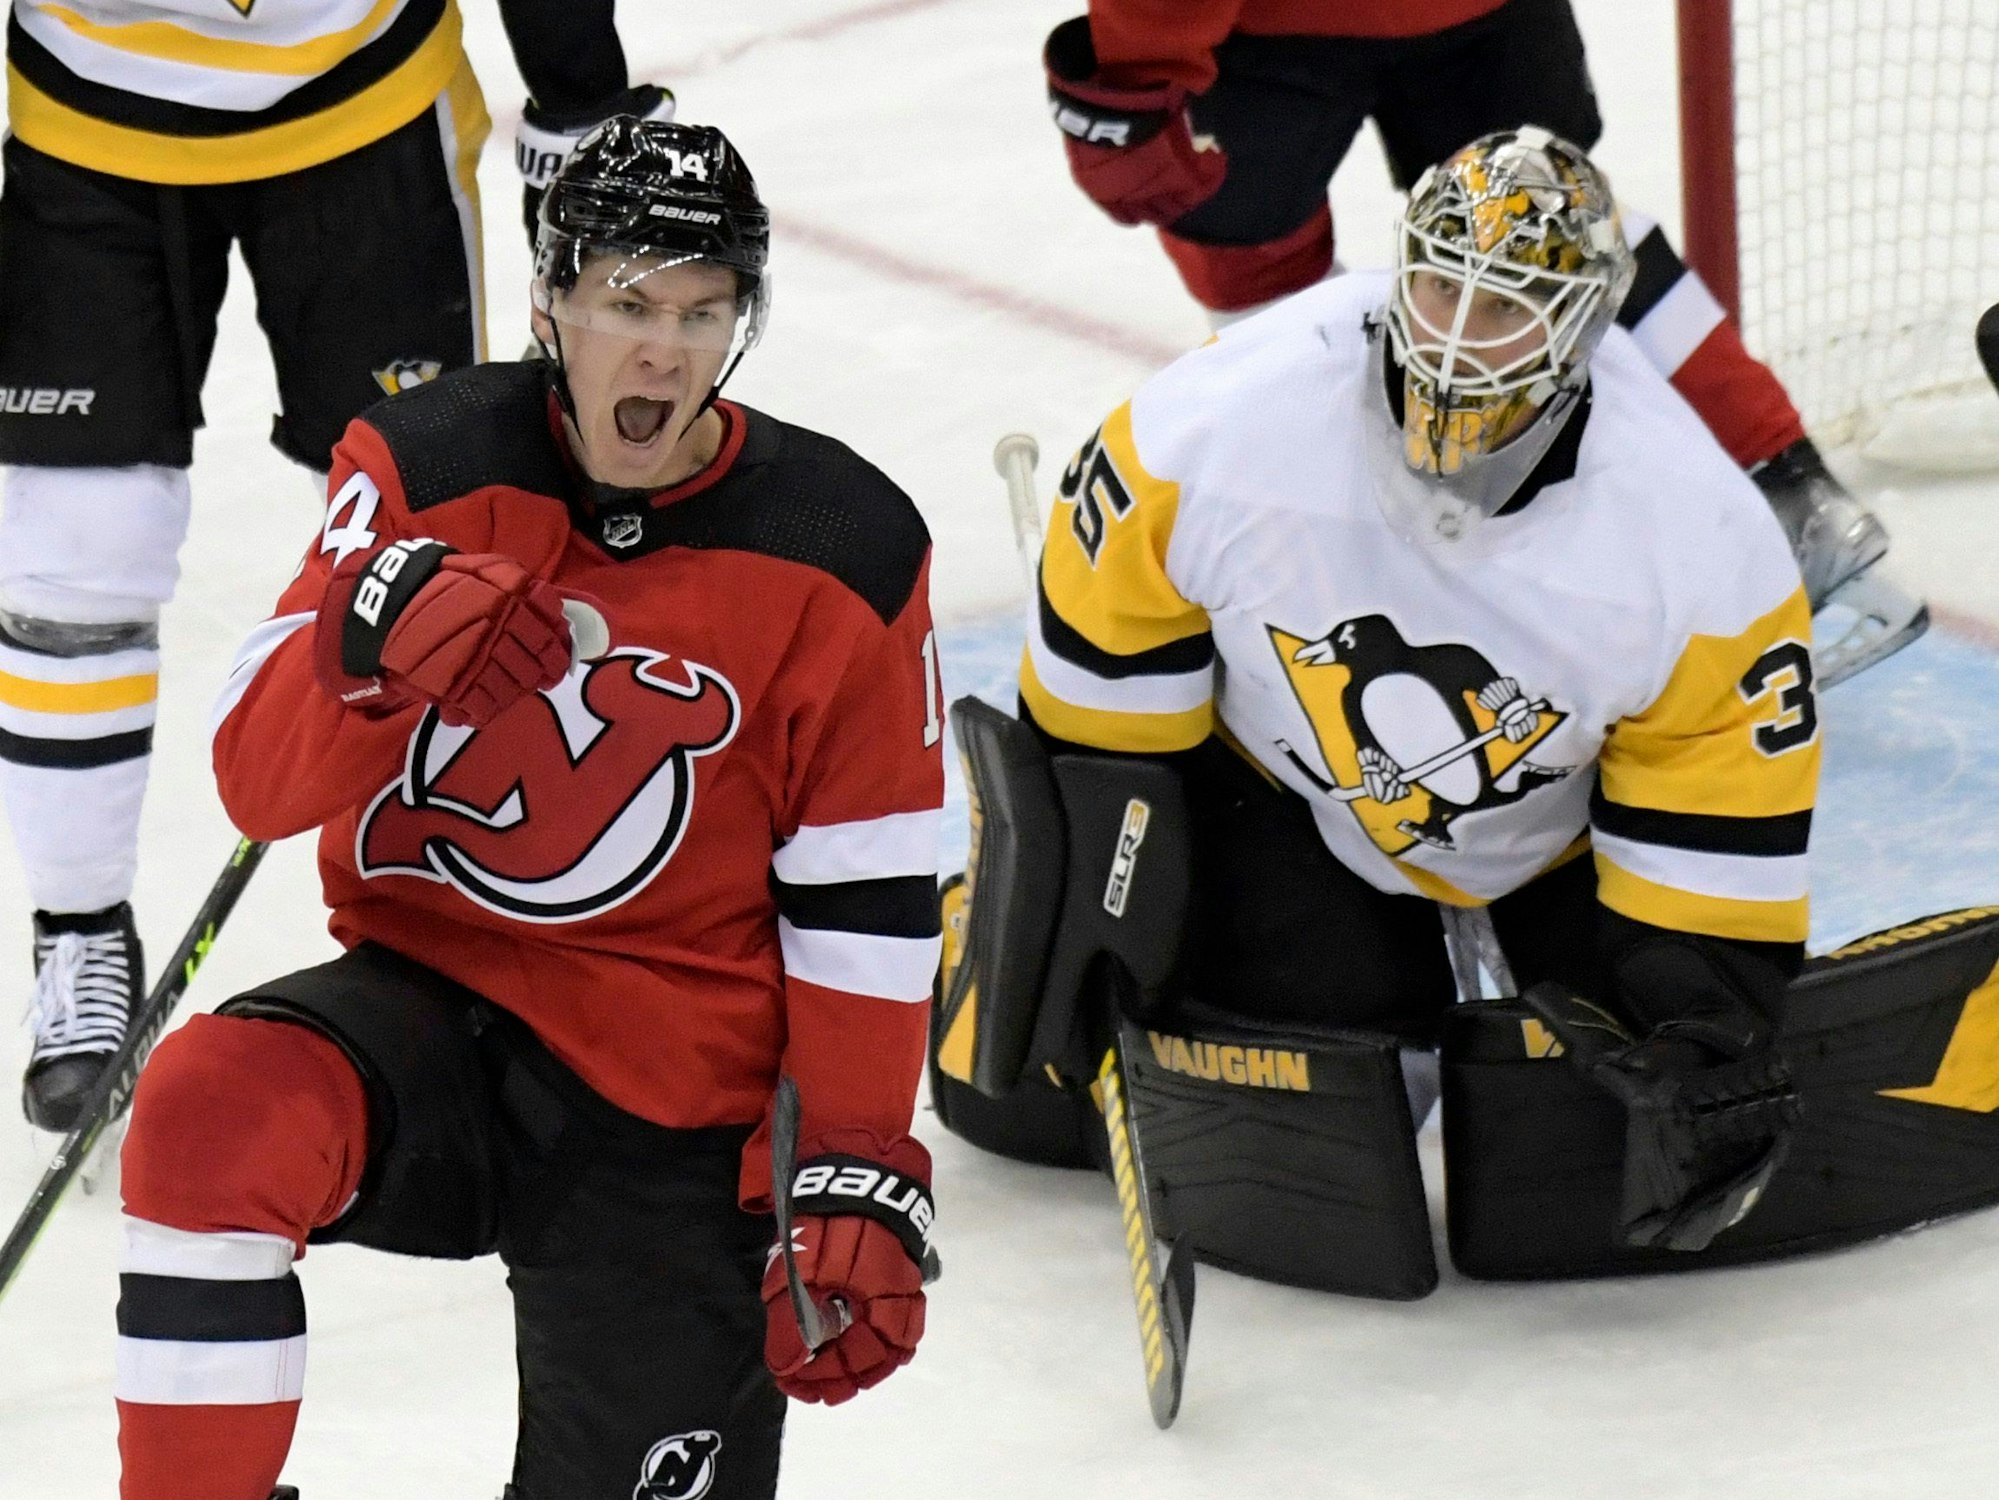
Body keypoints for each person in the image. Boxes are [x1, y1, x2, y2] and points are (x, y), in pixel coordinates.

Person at [111, 118, 944, 1500]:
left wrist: (853, 1153)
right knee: (214, 1109)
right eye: (625, 303)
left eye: (700, 308)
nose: (661, 351)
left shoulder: (842, 547)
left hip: (675, 1094)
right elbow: (259, 786)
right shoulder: (424, 466)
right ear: (552, 298)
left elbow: (861, 896)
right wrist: (358, 658)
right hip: (432, 1016)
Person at [945, 129, 1815, 1260]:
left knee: (1606, 1134)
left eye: (1503, 307)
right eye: (1438, 285)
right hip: (1290, 800)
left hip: (1563, 842)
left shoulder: (1702, 547)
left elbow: (1709, 862)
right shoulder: (1207, 428)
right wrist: (1080, 917)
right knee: (1323, 1104)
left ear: (1584, 327)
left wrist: (1704, 1020)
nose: (1452, 342)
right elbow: (1104, 749)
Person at [0, 0, 666, 1133]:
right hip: (85, 131)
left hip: (367, 118)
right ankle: (78, 930)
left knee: (432, 552)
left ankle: (452, 913)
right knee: (73, 550)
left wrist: (578, 90)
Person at [1039, 0, 1922, 685]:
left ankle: (1343, 575)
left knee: (1261, 290)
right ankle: (1792, 495)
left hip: (1278, 35)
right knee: (1556, 239)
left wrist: (1140, 65)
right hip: (1486, 21)